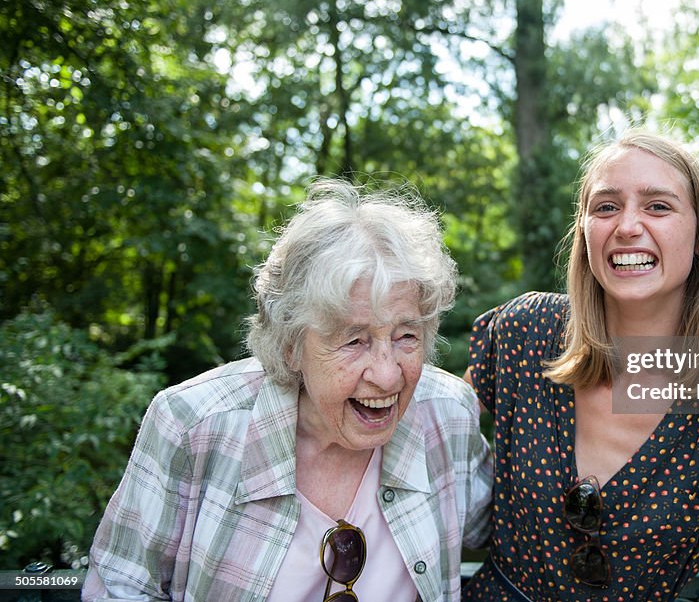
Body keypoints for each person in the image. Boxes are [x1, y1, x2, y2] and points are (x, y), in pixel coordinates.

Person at [461, 130, 699, 601]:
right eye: (605, 206)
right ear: (584, 230)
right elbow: (438, 429)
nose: (627, 226)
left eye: (658, 206)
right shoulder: (525, 332)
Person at [83, 179, 492, 602]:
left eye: (407, 336)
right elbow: (118, 588)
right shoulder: (192, 425)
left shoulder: (448, 416)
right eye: (354, 341)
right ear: (290, 345)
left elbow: (517, 531)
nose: (389, 376)